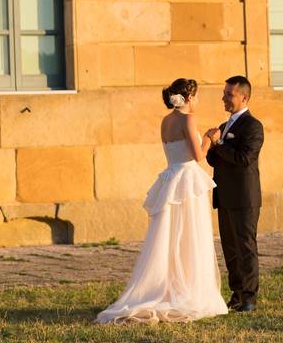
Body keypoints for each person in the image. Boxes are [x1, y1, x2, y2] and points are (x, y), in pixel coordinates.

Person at [96, 78, 228, 324]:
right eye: (196, 96)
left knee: (169, 236)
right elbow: (198, 155)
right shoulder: (188, 119)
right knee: (190, 235)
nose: (198, 101)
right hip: (187, 181)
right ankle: (188, 288)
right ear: (188, 98)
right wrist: (210, 137)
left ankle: (169, 286)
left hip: (170, 178)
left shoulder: (166, 121)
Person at [206, 75, 265, 313]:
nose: (224, 98)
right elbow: (213, 160)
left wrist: (219, 146)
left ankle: (249, 297)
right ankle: (237, 293)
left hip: (244, 197)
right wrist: (212, 143)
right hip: (225, 196)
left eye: (229, 94)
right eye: (224, 93)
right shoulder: (224, 126)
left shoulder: (253, 126)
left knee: (245, 247)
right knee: (230, 249)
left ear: (244, 97)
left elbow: (243, 158)